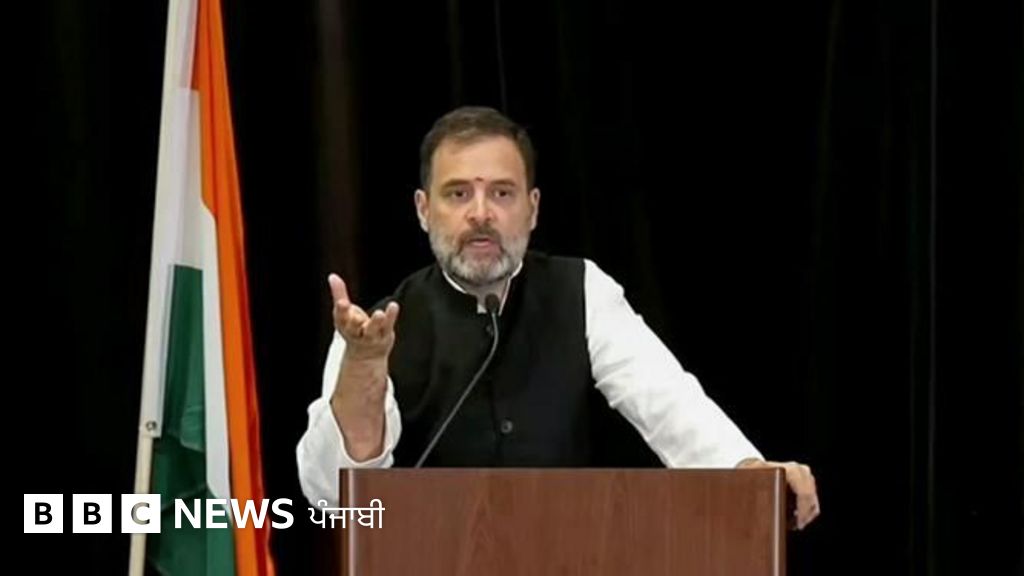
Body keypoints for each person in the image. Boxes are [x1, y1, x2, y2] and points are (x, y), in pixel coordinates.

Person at [296, 106, 820, 529]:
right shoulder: (374, 331)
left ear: (533, 208)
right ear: (423, 209)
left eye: (502, 193)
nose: (481, 213)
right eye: (458, 193)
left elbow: (666, 400)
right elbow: (333, 497)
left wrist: (748, 470)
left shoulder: (581, 289)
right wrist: (364, 370)